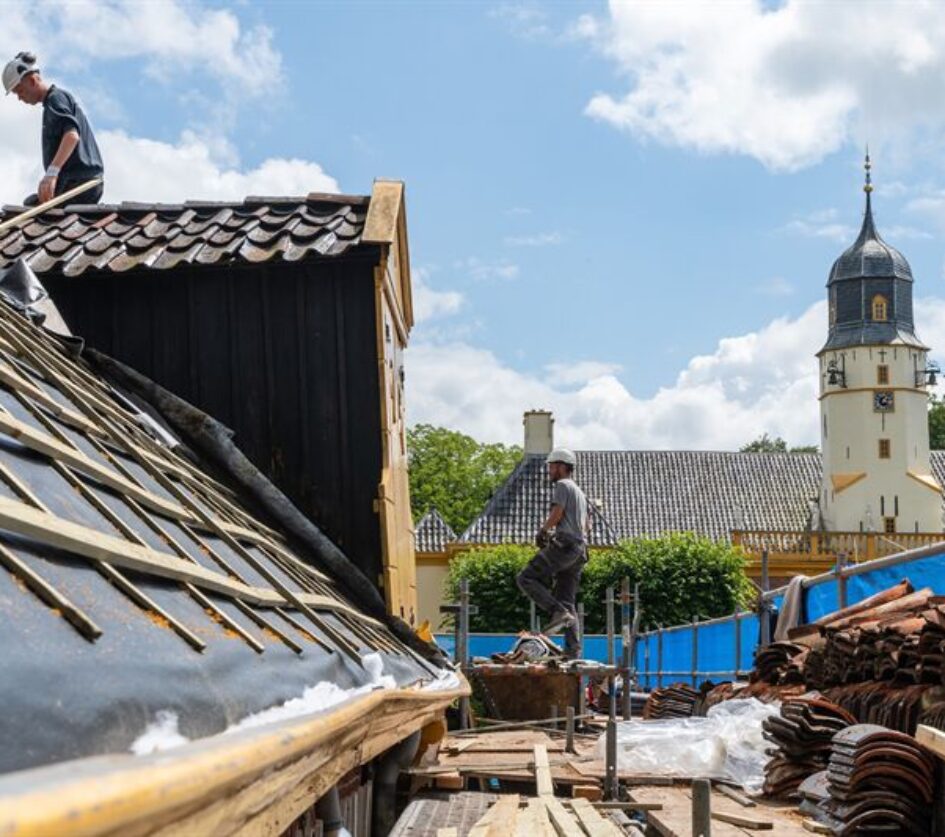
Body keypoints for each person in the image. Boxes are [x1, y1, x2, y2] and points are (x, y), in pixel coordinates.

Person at [3, 52, 104, 205]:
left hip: (82, 183)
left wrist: (52, 174)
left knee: (38, 215)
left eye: (20, 91)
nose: (19, 98)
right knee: (31, 204)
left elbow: (71, 136)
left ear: (32, 80)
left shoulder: (56, 98)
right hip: (76, 181)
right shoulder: (51, 104)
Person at [517, 448, 589, 659]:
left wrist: (544, 531)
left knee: (525, 577)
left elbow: (557, 513)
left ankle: (557, 612)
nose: (549, 470)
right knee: (567, 600)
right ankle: (573, 651)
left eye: (551, 466)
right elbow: (587, 525)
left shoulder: (563, 485)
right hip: (579, 550)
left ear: (561, 466)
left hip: (565, 545)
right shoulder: (580, 493)